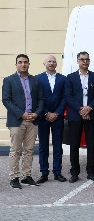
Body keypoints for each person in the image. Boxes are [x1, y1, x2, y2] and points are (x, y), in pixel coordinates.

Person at [2, 54, 44, 189]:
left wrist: (36, 114)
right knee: (15, 150)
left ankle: (26, 175)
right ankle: (14, 177)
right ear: (16, 65)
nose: (23, 64)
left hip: (32, 120)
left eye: (25, 62)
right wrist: (22, 114)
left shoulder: (35, 80)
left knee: (29, 150)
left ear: (29, 64)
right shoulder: (9, 80)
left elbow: (41, 99)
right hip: (17, 121)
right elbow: (6, 100)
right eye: (20, 62)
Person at [64, 51, 94, 183]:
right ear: (78, 61)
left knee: (91, 144)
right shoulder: (70, 77)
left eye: (87, 59)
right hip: (75, 115)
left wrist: (89, 108)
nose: (85, 62)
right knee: (74, 145)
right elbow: (68, 96)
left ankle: (91, 172)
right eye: (82, 59)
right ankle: (74, 172)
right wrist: (81, 110)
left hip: (91, 114)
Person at [37, 55, 67, 183]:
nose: (52, 63)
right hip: (43, 117)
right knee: (43, 146)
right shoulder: (38, 79)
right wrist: (46, 113)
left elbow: (65, 97)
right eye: (49, 61)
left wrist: (57, 113)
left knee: (57, 146)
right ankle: (44, 173)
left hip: (58, 117)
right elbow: (37, 99)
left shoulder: (63, 79)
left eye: (54, 61)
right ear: (44, 63)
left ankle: (57, 172)